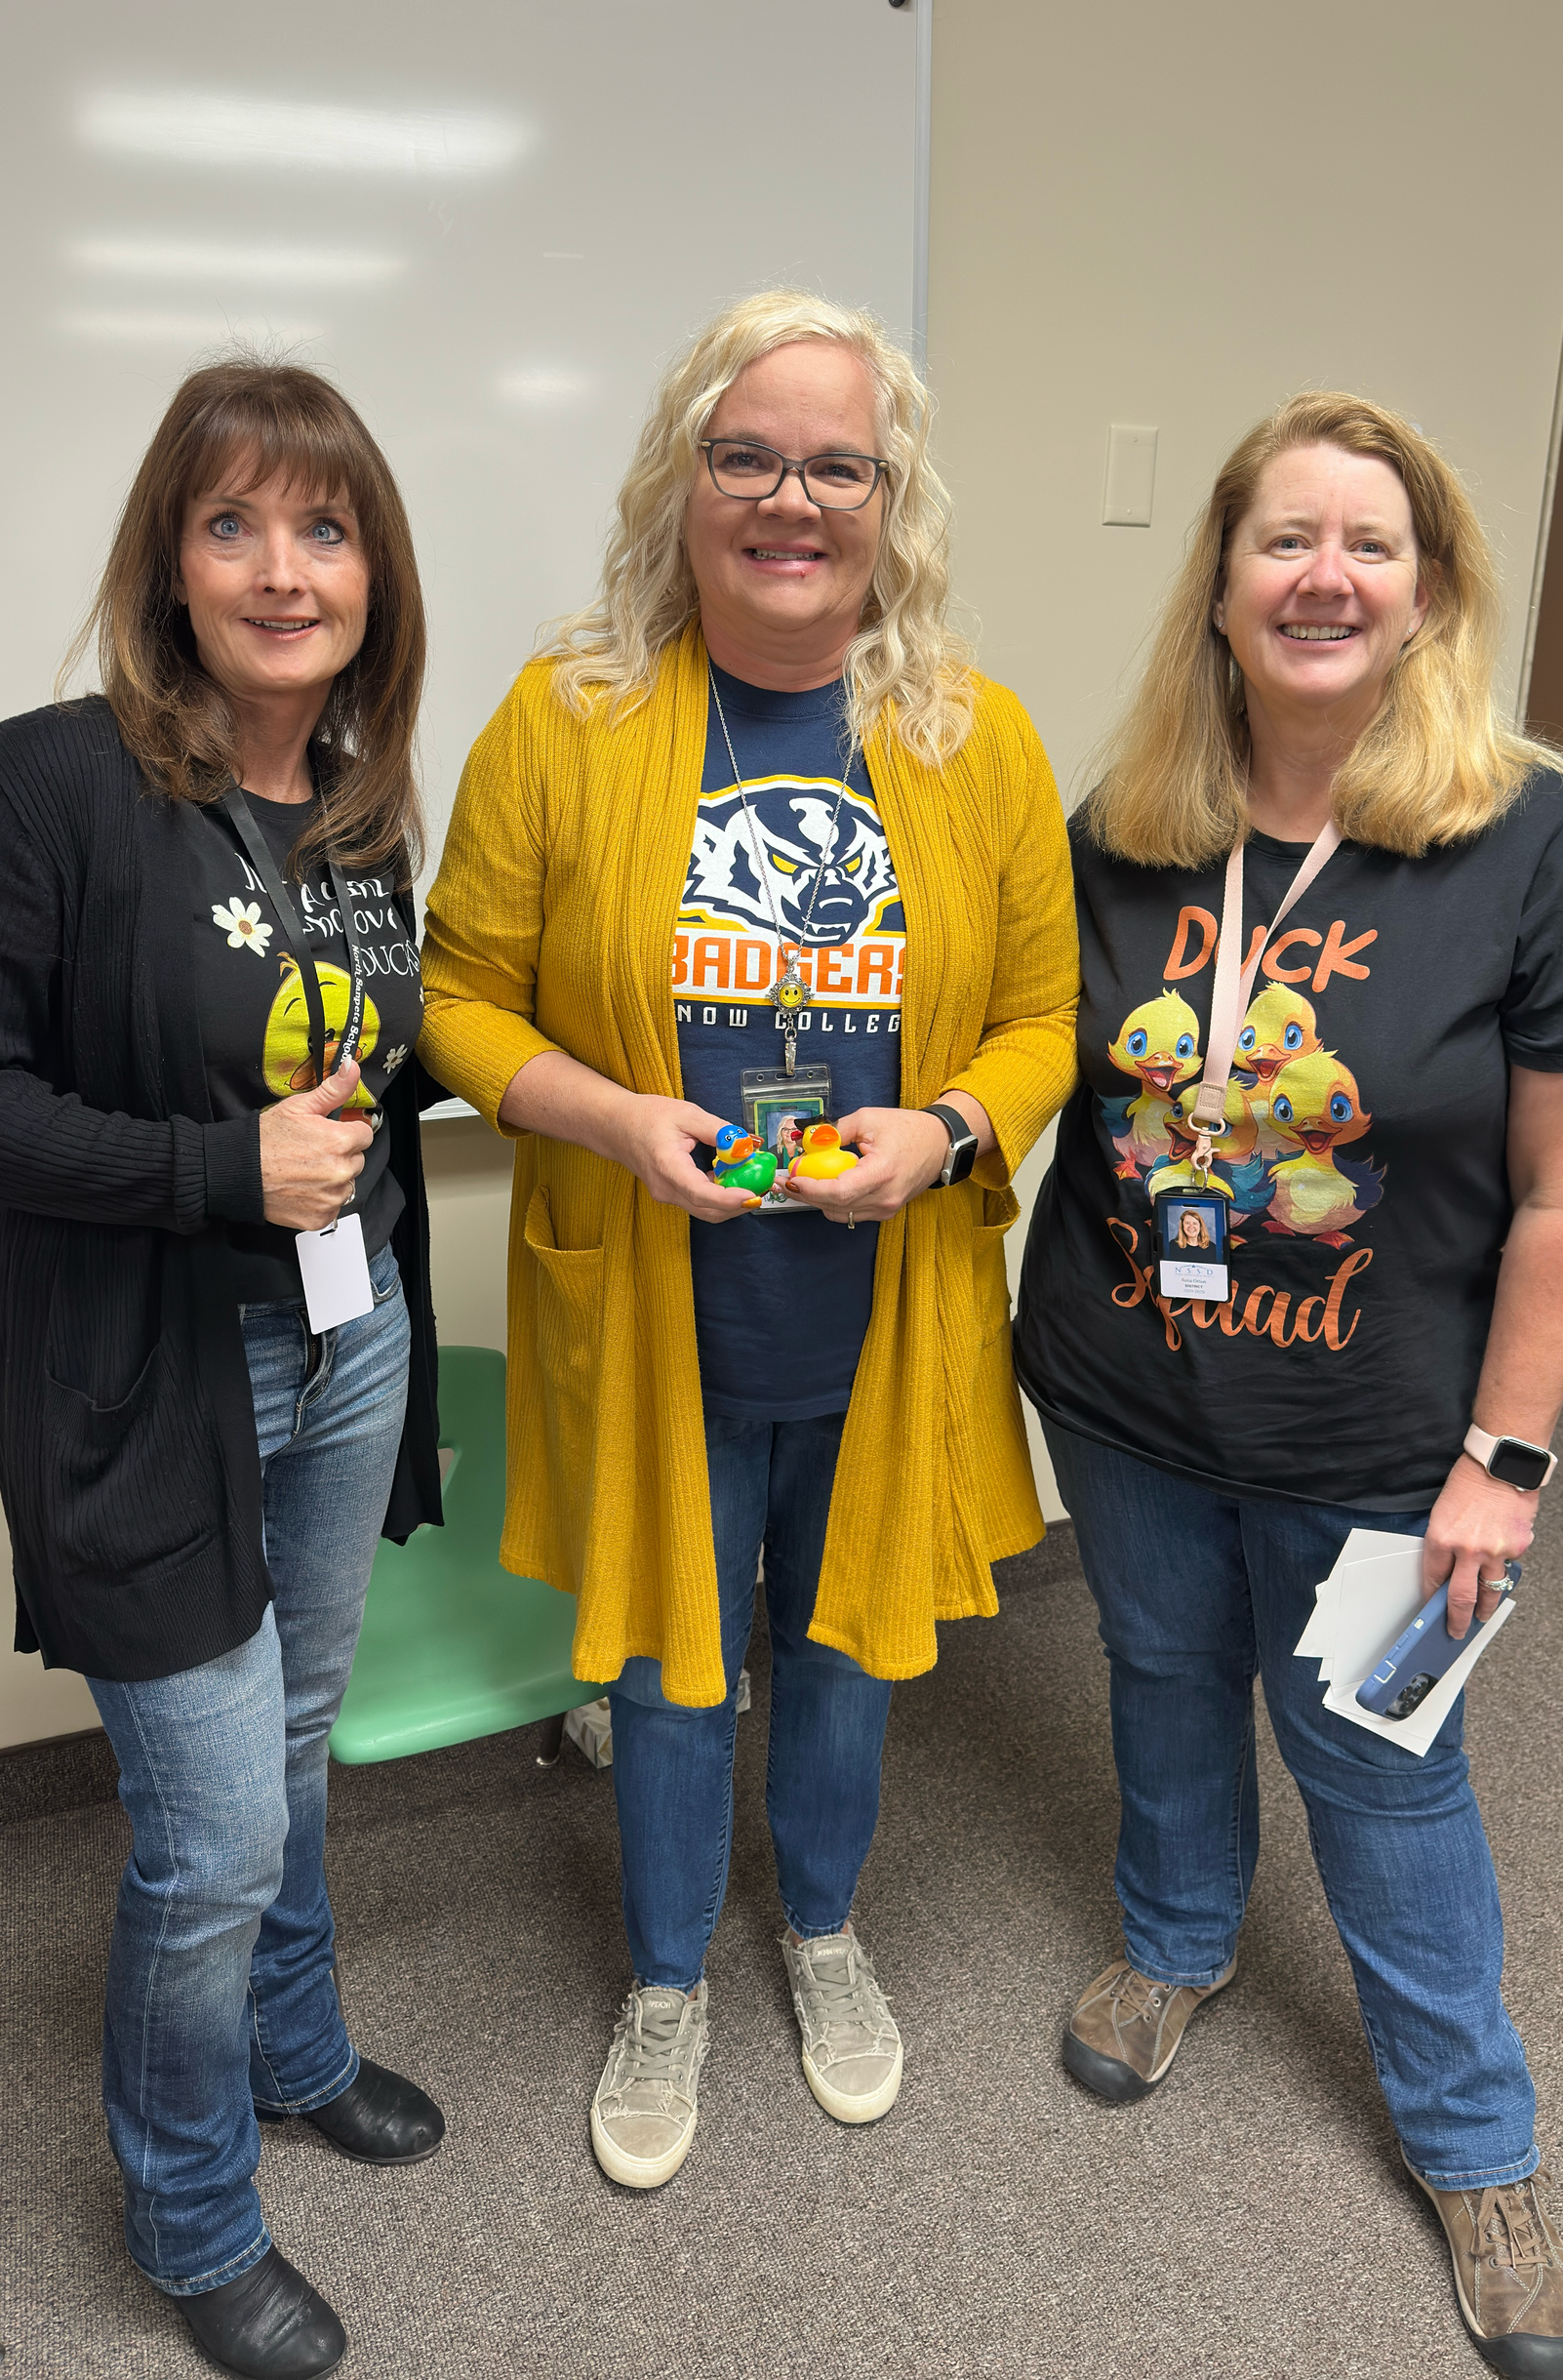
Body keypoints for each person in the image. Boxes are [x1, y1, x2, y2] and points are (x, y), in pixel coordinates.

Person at [1015, 392, 1563, 2380]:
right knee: (1156, 1673)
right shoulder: (1128, 825)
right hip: (1128, 1390)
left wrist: (1507, 1460)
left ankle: (1480, 2150)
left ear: (1428, 591)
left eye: (1366, 544)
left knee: (1386, 1767)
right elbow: (1045, 1061)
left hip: (1398, 1444)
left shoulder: (1533, 842)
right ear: (1218, 591)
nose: (1322, 573)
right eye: (1280, 539)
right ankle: (1179, 1939)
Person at [421, 290, 1076, 2190]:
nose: (794, 495)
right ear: (686, 479)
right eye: (750, 454)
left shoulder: (979, 736)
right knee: (670, 1667)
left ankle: (822, 1934)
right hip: (656, 1299)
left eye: (837, 462)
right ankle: (665, 1979)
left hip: (881, 1300)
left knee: (852, 1646)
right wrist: (614, 1118)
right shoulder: (570, 715)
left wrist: (946, 1124)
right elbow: (460, 998)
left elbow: (1042, 1016)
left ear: (892, 498)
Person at [0, 362, 447, 2380]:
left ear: (376, 568)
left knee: (296, 1744)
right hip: (144, 1379)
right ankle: (192, 2206)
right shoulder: (51, 780)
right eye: (234, 524)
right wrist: (223, 1166)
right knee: (204, 1830)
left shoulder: (367, 804)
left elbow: (378, 1059)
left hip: (343, 1344)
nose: (282, 569)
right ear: (168, 560)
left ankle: (295, 2050)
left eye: (325, 526)